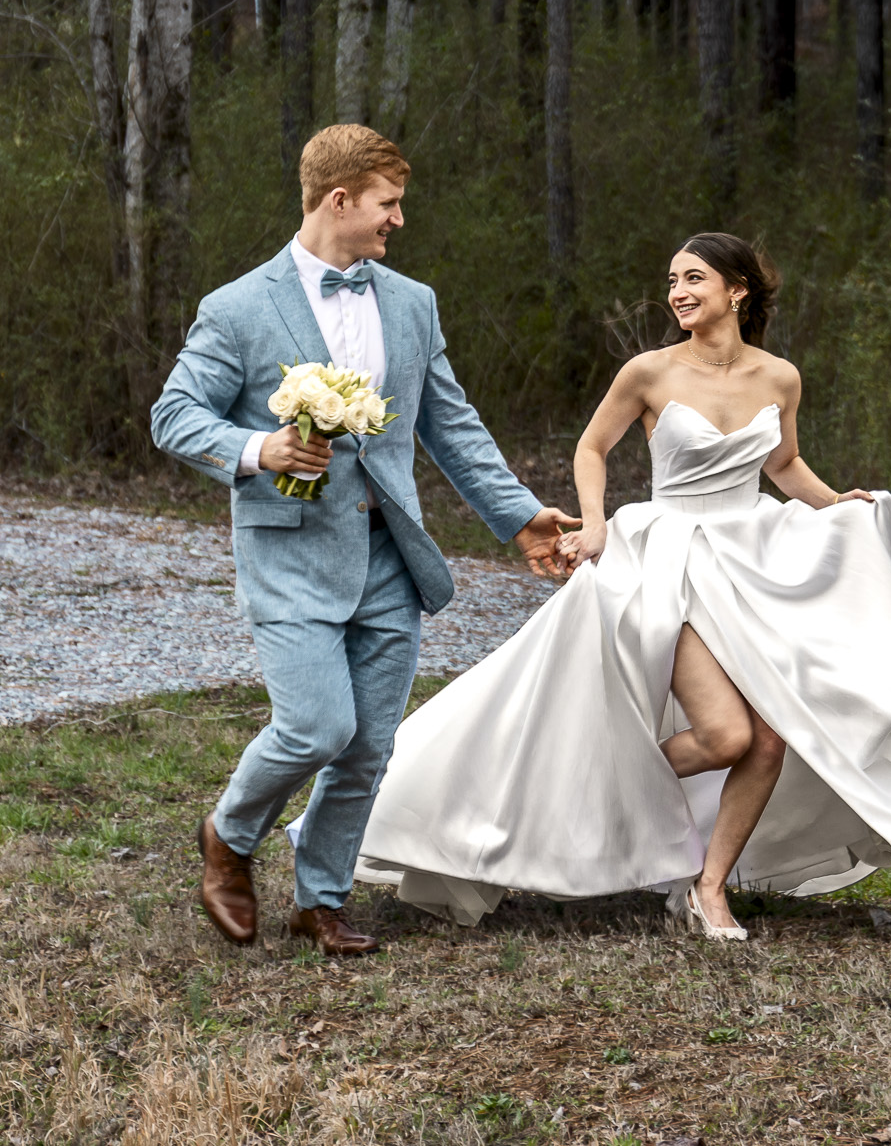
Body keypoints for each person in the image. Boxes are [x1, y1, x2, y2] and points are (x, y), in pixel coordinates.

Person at [355, 233, 891, 938]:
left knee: (773, 740)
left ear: (737, 290)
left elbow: (784, 466)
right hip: (668, 561)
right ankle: (583, 799)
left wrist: (839, 503)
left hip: (752, 560)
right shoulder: (649, 371)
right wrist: (594, 522)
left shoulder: (780, 377)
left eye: (694, 278)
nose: (678, 292)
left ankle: (707, 888)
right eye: (672, 280)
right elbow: (593, 446)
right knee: (724, 734)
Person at [151, 124, 576, 957]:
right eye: (389, 203)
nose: (398, 221)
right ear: (339, 200)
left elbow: (451, 426)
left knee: (370, 745)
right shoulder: (237, 308)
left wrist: (521, 517)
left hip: (391, 559)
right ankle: (229, 836)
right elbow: (173, 415)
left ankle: (322, 897)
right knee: (316, 728)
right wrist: (258, 449)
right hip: (291, 554)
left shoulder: (412, 304)